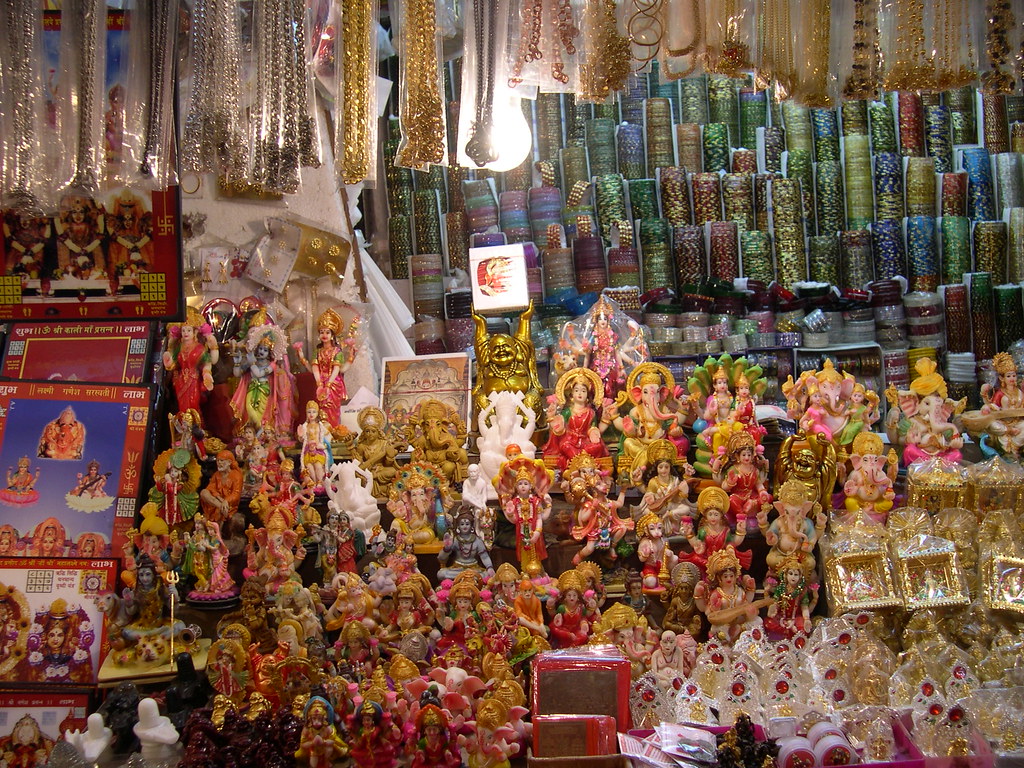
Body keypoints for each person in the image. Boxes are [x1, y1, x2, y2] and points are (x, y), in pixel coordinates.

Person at [292, 308, 356, 428]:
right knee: (320, 410)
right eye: (322, 332)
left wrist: (328, 384)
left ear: (332, 335)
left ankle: (333, 431)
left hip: (333, 385)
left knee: (332, 409)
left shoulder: (337, 351)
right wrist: (302, 359)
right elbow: (314, 369)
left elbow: (339, 370)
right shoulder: (317, 351)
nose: (324, 335)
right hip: (319, 384)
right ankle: (322, 432)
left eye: (327, 332)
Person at [162, 307, 219, 416]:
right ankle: (184, 429)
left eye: (188, 330)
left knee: (193, 404)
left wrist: (207, 374)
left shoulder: (200, 348)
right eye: (183, 330)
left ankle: (194, 428)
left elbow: (208, 362)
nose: (185, 333)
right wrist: (169, 361)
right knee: (181, 407)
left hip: (193, 380)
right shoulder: (180, 347)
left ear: (195, 332)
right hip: (180, 381)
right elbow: (173, 362)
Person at [297, 401, 333, 492]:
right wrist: (300, 436)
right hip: (308, 451)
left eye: (314, 412)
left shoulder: (320, 426)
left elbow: (329, 436)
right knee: (309, 467)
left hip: (318, 451)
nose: (311, 414)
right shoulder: (305, 426)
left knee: (318, 465)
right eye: (309, 412)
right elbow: (302, 439)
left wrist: (323, 445)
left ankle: (320, 482)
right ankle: (313, 482)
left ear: (317, 413)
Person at [199, 450, 243, 523]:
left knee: (221, 511)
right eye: (218, 461)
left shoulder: (237, 476)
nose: (219, 463)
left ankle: (223, 509)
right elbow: (210, 488)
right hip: (217, 501)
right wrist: (219, 498)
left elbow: (236, 493)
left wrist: (226, 500)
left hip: (229, 504)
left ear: (229, 462)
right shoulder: (216, 474)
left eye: (222, 461)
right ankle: (220, 507)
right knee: (204, 492)